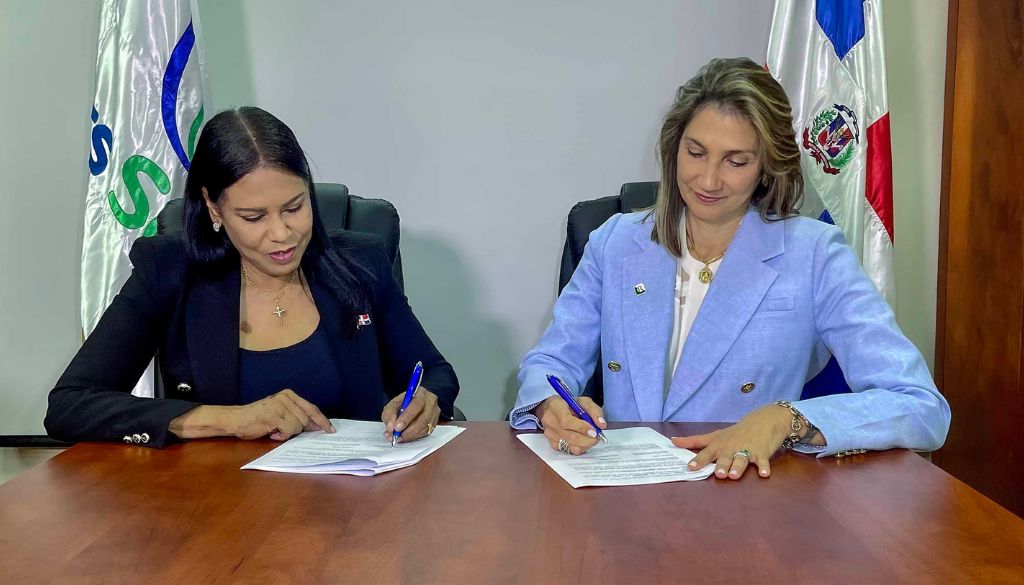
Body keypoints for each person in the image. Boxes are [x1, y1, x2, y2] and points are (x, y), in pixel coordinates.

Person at [510, 57, 950, 480]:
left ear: (766, 168)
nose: (708, 180)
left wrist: (787, 419)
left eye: (736, 162)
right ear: (673, 148)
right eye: (695, 153)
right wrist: (551, 404)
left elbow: (921, 407)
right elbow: (552, 361)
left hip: (744, 494)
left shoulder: (814, 254)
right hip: (624, 492)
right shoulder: (616, 241)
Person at [45, 107, 458, 448]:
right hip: (225, 505)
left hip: (355, 498)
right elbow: (71, 405)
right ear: (214, 208)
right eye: (254, 217)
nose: (281, 233)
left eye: (294, 208)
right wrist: (230, 419)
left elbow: (436, 373)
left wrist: (425, 399)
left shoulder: (360, 262)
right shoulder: (170, 271)